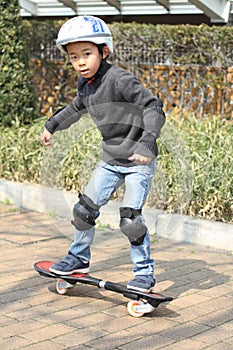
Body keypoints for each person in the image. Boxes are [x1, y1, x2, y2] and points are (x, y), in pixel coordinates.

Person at [40, 15, 166, 293]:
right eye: (73, 57)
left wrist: (146, 144)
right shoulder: (85, 85)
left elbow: (154, 107)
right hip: (111, 159)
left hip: (138, 161)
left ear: (103, 51)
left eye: (86, 54)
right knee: (84, 210)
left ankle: (144, 274)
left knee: (130, 220)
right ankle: (78, 259)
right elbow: (75, 108)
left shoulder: (119, 79)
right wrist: (51, 126)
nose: (80, 62)